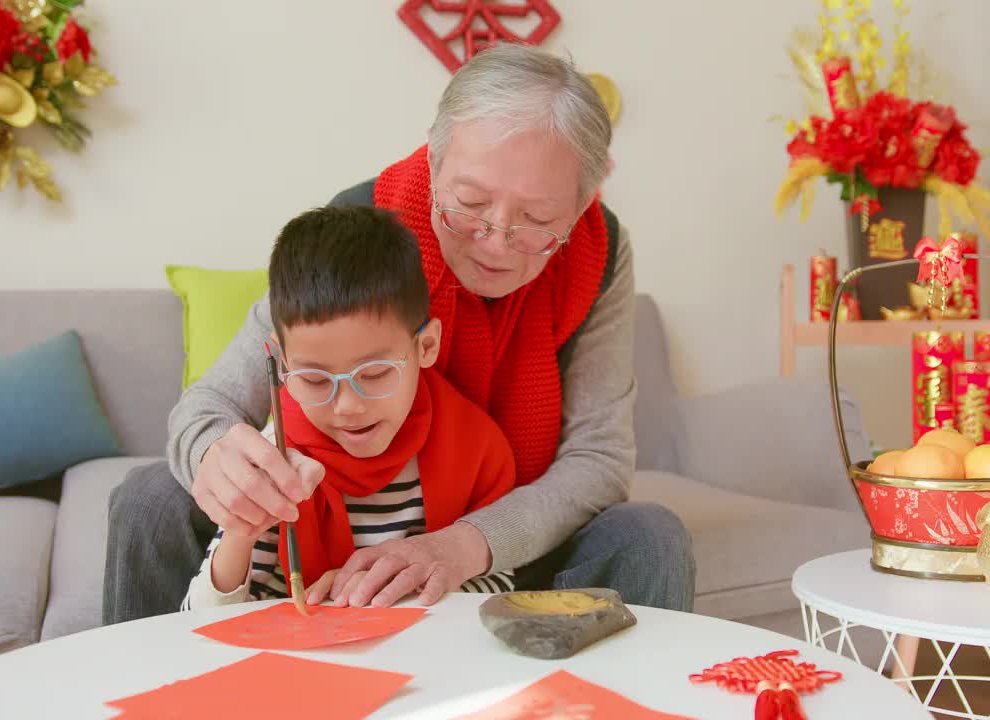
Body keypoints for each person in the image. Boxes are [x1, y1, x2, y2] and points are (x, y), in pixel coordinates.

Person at [104, 44, 695, 623]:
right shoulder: (365, 232)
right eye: (468, 203)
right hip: (341, 538)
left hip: (505, 543)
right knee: (150, 497)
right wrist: (216, 458)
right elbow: (209, 405)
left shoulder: (599, 253)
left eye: (538, 221)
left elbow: (600, 459)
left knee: (649, 535)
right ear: (435, 163)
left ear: (584, 202)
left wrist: (462, 546)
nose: (495, 241)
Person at [183, 205, 517, 610]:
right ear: (280, 362)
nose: (347, 407)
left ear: (426, 347)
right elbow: (199, 622)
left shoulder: (475, 448)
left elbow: (499, 590)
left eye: (375, 374)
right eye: (315, 380)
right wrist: (240, 533)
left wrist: (385, 592)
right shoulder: (274, 458)